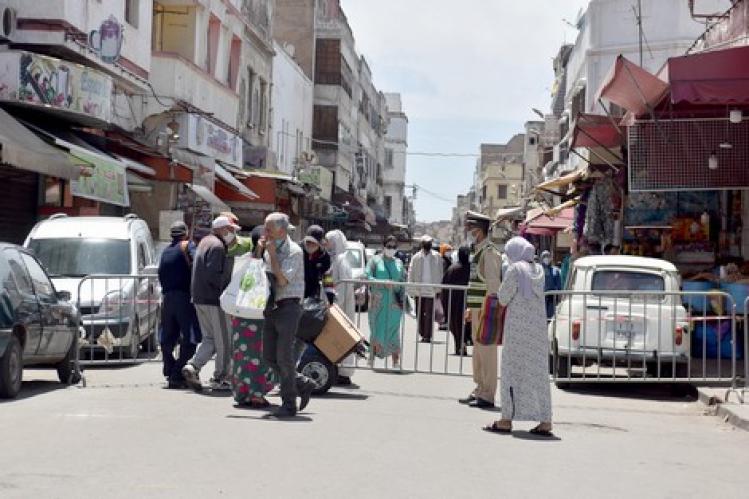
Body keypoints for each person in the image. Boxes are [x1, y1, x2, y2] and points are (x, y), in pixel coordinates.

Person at [484, 237, 553, 436]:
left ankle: (506, 419)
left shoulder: (515, 270)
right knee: (538, 374)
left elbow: (504, 296)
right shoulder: (538, 270)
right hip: (538, 330)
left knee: (511, 372)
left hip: (516, 331)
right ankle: (545, 420)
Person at [259, 212, 315, 418]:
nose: (265, 233)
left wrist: (272, 255)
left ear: (281, 230)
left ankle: (289, 404)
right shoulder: (269, 248)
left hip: (289, 307)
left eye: (269, 229)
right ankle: (301, 382)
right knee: (269, 356)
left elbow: (282, 281)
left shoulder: (294, 251)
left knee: (284, 356)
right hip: (272, 306)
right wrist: (261, 251)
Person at [182, 216, 238, 392]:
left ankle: (193, 366)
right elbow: (214, 275)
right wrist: (226, 292)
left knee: (210, 339)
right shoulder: (218, 247)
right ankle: (221, 377)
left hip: (199, 298)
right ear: (222, 229)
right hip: (214, 300)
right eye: (231, 229)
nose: (233, 233)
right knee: (224, 341)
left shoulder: (205, 242)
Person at [229, 225, 277, 408]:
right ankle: (257, 394)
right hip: (259, 316)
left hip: (240, 314)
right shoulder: (265, 262)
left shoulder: (243, 262)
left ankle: (243, 393)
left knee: (242, 355)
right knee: (260, 356)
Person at [459, 211, 502, 409]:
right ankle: (480, 388)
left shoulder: (489, 252)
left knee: (486, 353)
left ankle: (488, 394)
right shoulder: (478, 251)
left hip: (486, 311)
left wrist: (489, 312)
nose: (469, 232)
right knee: (478, 353)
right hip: (477, 309)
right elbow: (476, 283)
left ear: (479, 230)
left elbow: (493, 286)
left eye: (472, 228)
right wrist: (470, 307)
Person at [158, 221, 201, 389]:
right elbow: (198, 262)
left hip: (167, 299)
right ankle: (177, 374)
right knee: (191, 338)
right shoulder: (187, 246)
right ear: (186, 233)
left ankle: (170, 368)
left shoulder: (166, 251)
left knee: (168, 337)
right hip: (183, 298)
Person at [367, 235, 405, 369]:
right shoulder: (374, 260)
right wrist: (382, 283)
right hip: (378, 303)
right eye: (389, 246)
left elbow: (403, 281)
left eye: (394, 247)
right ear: (383, 246)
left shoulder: (399, 263)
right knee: (376, 330)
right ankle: (371, 357)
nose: (391, 249)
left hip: (394, 304)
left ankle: (395, 361)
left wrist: (402, 295)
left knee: (394, 331)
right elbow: (367, 276)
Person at [325, 229, 356, 385]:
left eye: (329, 241)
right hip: (336, 306)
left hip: (340, 307)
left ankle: (344, 373)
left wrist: (334, 305)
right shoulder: (333, 259)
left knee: (343, 339)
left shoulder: (341, 261)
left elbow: (342, 286)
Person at [408, 235, 444, 343]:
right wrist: (411, 288)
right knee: (419, 313)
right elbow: (411, 272)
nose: (428, 246)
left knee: (429, 313)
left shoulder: (437, 256)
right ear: (422, 244)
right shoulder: (416, 257)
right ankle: (422, 332)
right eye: (426, 243)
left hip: (431, 289)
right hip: (419, 289)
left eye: (429, 244)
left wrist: (439, 288)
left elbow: (440, 272)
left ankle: (427, 336)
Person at [442, 246, 471, 356]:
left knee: (456, 325)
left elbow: (444, 287)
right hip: (466, 302)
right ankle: (462, 345)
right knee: (464, 325)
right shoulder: (471, 268)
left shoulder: (453, 268)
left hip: (454, 303)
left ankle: (460, 346)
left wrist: (445, 303)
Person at [302, 225, 332, 300]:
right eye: (308, 242)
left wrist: (330, 297)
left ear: (319, 243)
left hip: (313, 293)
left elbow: (327, 277)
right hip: (295, 294)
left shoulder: (324, 256)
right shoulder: (297, 251)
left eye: (313, 242)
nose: (310, 244)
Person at [541, 250, 562, 320]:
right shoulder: (538, 270)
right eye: (544, 256)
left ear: (550, 258)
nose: (546, 258)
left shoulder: (555, 270)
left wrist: (559, 298)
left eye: (548, 256)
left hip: (552, 298)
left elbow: (559, 286)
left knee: (551, 317)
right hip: (541, 297)